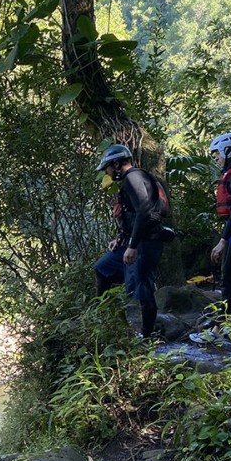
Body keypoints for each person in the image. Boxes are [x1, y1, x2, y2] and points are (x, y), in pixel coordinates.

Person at [94, 143, 167, 339]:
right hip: (133, 242)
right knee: (103, 268)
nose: (107, 172)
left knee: (143, 288)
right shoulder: (132, 179)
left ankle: (146, 336)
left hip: (145, 244)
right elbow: (133, 216)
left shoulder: (133, 178)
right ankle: (103, 319)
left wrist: (132, 246)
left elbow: (145, 211)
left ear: (116, 164)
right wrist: (121, 238)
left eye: (108, 167)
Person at [189, 132, 231, 344]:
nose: (216, 158)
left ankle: (219, 330)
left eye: (217, 154)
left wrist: (223, 240)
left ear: (228, 150)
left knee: (229, 281)